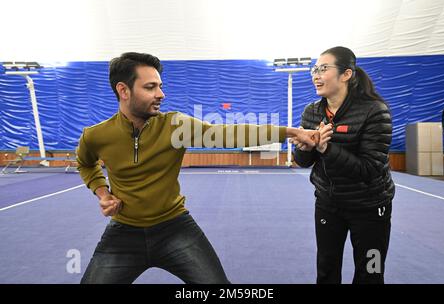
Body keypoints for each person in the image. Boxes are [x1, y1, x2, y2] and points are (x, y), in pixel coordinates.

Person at [77, 52, 317, 284]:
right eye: (150, 87)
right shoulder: (96, 135)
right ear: (123, 90)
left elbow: (228, 134)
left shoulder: (175, 126)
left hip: (174, 228)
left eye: (160, 86)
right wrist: (102, 192)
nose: (161, 94)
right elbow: (86, 164)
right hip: (123, 232)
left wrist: (290, 132)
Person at [292, 46, 395, 284]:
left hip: (371, 208)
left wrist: (327, 149)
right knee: (326, 270)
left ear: (346, 74)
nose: (316, 75)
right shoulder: (312, 111)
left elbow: (369, 169)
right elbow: (304, 162)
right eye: (314, 69)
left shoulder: (375, 111)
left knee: (371, 273)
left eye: (324, 68)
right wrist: (304, 148)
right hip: (328, 205)